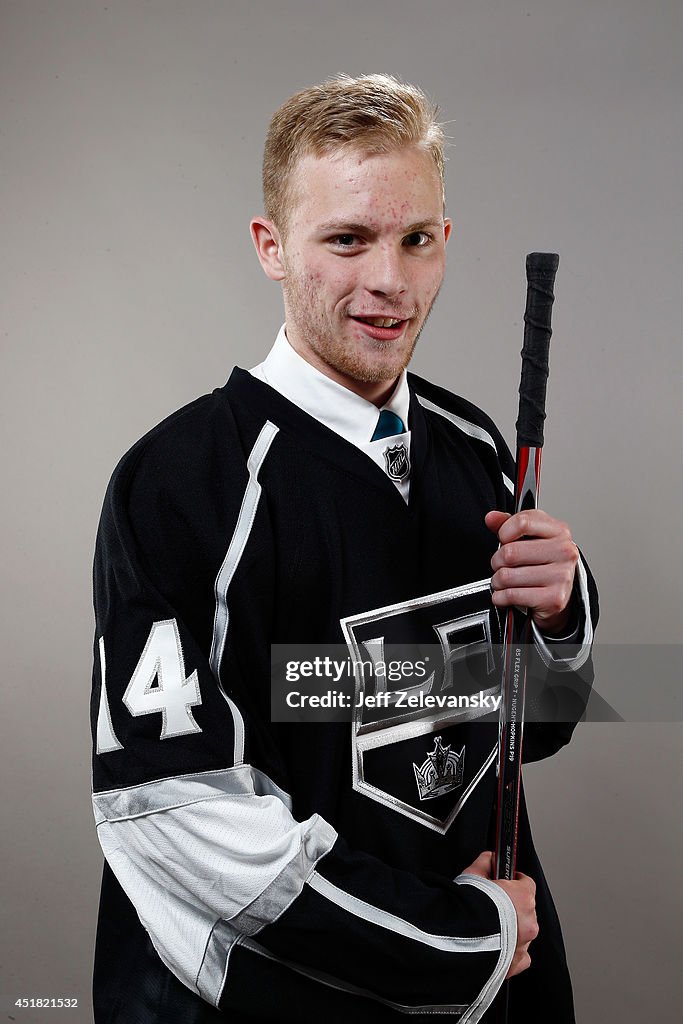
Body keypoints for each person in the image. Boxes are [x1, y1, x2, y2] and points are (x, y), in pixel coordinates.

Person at [91, 74, 598, 1023]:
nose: (388, 281)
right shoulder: (178, 483)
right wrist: (452, 937)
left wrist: (560, 614)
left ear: (445, 240)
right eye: (346, 239)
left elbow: (529, 728)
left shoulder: (473, 446)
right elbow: (177, 818)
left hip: (499, 983)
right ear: (271, 248)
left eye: (414, 240)